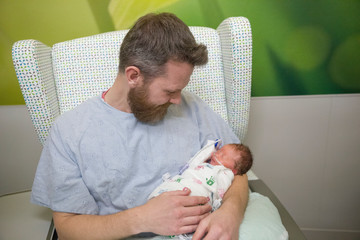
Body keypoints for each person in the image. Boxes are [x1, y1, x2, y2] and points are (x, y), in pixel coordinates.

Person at [31, 12, 249, 240]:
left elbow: (238, 169)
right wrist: (142, 218)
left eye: (180, 90)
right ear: (133, 76)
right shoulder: (69, 132)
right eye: (169, 91)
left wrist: (230, 213)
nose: (177, 100)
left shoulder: (191, 107)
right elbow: (67, 227)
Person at [149, 143, 253, 211]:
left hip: (197, 192)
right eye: (219, 151)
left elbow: (219, 190)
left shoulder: (226, 173)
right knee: (167, 193)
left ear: (234, 170)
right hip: (183, 183)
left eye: (223, 155)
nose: (216, 154)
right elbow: (194, 167)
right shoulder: (209, 164)